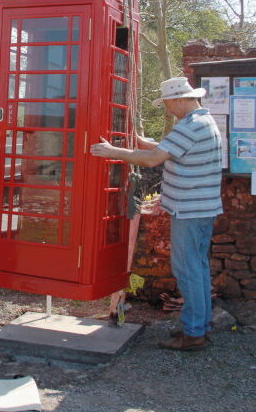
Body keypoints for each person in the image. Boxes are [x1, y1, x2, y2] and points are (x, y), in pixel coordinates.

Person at [90, 77, 222, 351]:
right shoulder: (203, 122)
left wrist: (111, 151)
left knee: (186, 270)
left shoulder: (190, 125)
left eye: (167, 104)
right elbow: (167, 151)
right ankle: (200, 325)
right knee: (198, 269)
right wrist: (137, 142)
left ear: (179, 99)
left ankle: (194, 332)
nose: (167, 110)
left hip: (188, 210)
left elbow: (153, 160)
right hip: (201, 208)